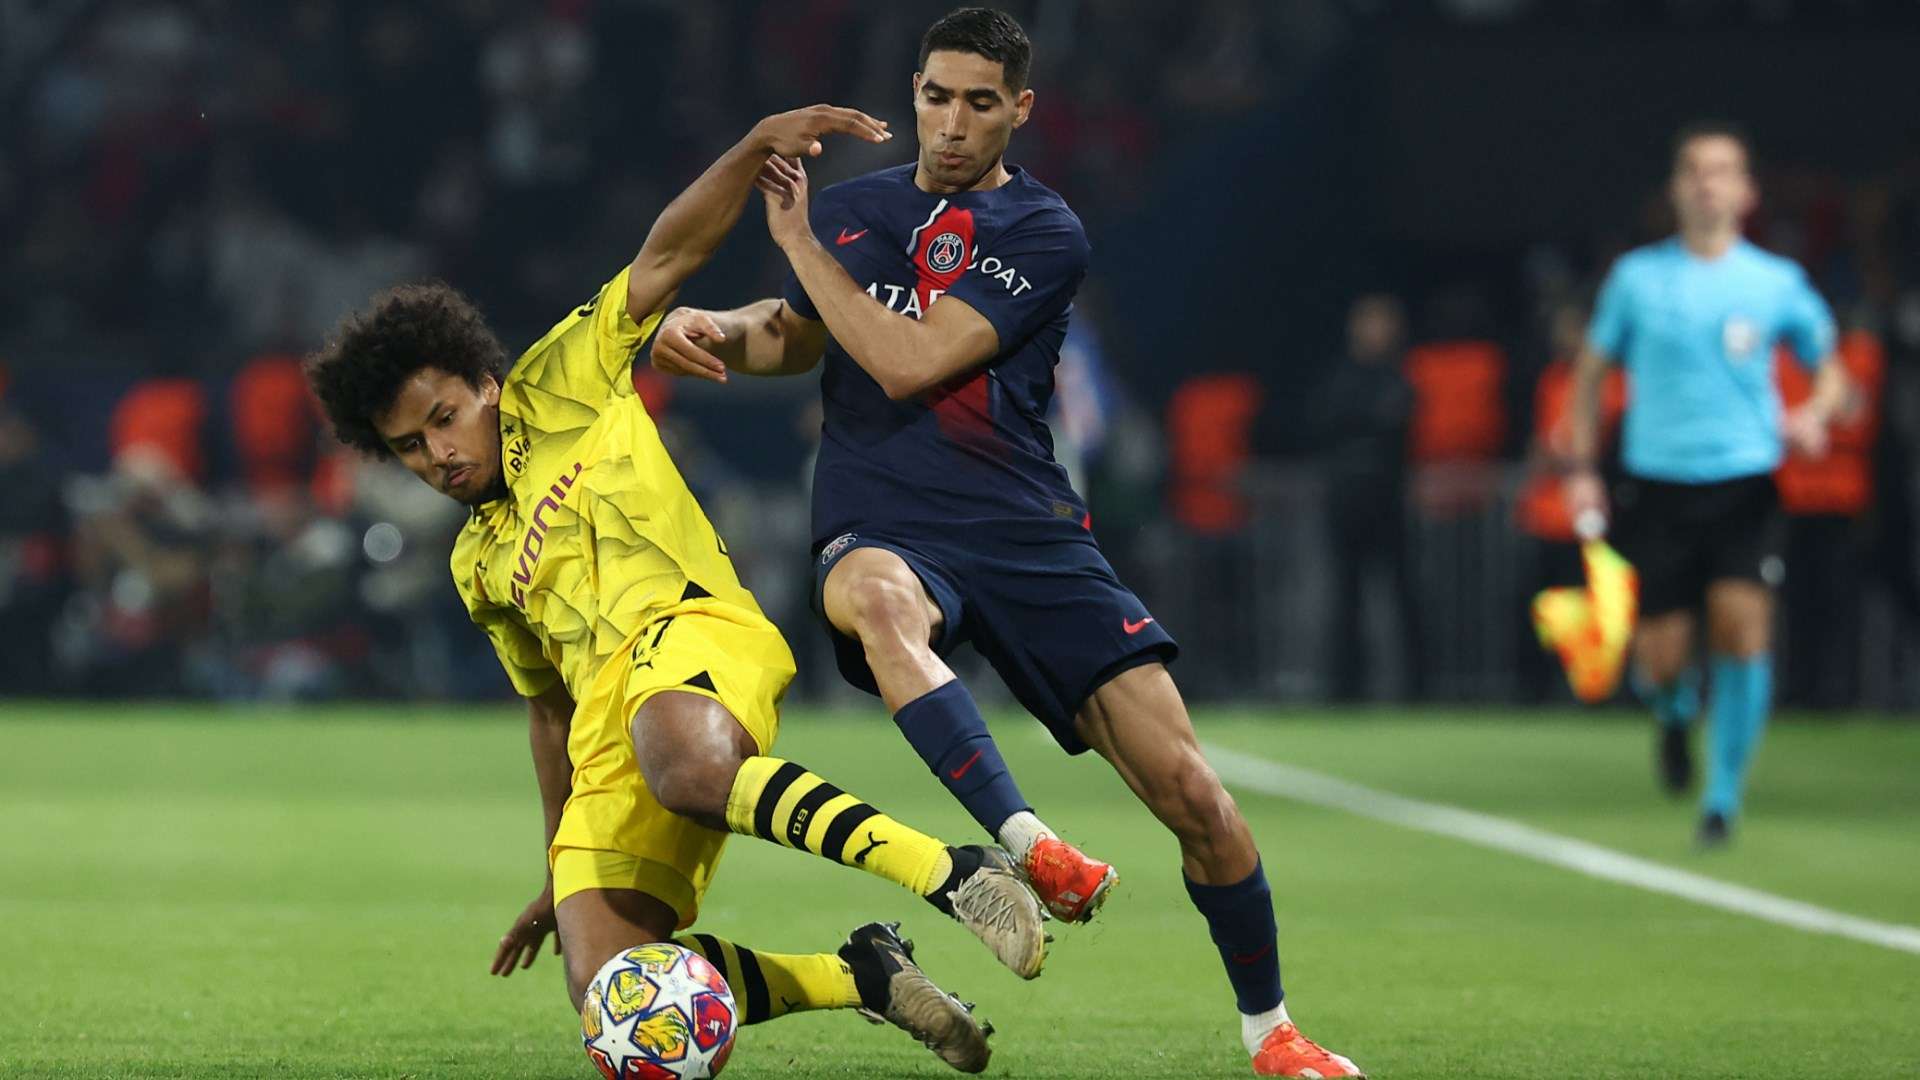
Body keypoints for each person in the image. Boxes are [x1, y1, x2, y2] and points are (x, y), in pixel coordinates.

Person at [646, 10, 1362, 1077]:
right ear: (917, 90)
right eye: (936, 96)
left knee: (1198, 801)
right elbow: (799, 336)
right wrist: (709, 327)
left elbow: (906, 360)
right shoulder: (856, 212)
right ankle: (1022, 850)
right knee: (880, 603)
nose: (951, 123)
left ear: (1020, 111)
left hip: (1023, 528)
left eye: (981, 103)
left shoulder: (1044, 232)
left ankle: (1274, 1033)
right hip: (879, 516)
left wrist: (793, 242)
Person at [303, 106, 1056, 1074]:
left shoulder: (560, 380)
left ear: (485, 383)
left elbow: (668, 253)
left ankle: (955, 876)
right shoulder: (474, 565)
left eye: (444, 418)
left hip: (694, 633)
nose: (438, 454)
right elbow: (548, 714)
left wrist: (749, 153)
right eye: (409, 447)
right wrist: (554, 864)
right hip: (607, 737)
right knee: (610, 994)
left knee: (689, 768)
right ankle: (860, 974)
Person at [1565, 122, 1847, 847]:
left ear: (1746, 191)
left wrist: (1815, 411)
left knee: (1741, 631)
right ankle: (1669, 711)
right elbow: (1590, 376)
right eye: (1694, 169)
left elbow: (1831, 368)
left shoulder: (1775, 283)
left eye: (1722, 171)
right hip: (1657, 485)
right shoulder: (1637, 279)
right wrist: (1582, 470)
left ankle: (1721, 800)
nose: (1707, 183)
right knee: (1661, 654)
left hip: (1745, 480)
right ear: (1675, 188)